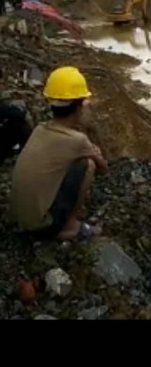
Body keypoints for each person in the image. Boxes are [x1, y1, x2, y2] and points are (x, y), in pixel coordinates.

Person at [9, 66, 107, 241]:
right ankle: (71, 226)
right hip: (42, 227)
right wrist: (96, 154)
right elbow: (103, 168)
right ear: (79, 107)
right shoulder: (77, 140)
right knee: (88, 165)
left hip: (20, 218)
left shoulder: (40, 129)